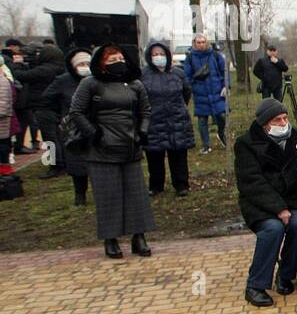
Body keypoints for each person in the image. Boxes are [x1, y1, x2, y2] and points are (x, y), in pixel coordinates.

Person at [66, 45, 156, 259]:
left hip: (130, 147)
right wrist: (94, 134)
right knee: (109, 196)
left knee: (136, 195)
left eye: (120, 57)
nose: (118, 61)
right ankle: (111, 238)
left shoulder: (135, 84)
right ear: (101, 63)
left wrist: (142, 132)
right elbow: (76, 112)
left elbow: (145, 110)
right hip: (101, 150)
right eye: (112, 59)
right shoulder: (91, 84)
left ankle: (139, 237)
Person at [235, 98, 297, 307]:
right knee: (272, 229)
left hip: (294, 199)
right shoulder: (246, 144)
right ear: (264, 123)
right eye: (277, 120)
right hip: (260, 203)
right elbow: (252, 182)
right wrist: (278, 208)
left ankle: (286, 274)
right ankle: (256, 286)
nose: (283, 123)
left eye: (285, 118)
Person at [140, 42, 194, 196]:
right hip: (154, 120)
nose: (159, 57)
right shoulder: (143, 75)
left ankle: (181, 185)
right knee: (155, 156)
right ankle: (156, 186)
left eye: (161, 54)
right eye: (155, 55)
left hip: (177, 118)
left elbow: (186, 92)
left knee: (178, 155)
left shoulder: (177, 73)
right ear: (149, 57)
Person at [41, 47, 92, 201]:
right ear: (72, 66)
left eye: (87, 63)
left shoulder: (96, 79)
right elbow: (47, 99)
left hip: (94, 125)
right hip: (74, 128)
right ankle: (80, 194)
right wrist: (63, 115)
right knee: (77, 162)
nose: (85, 67)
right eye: (80, 64)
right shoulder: (63, 81)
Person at [11, 40, 62, 161]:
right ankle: (61, 161)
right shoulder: (59, 67)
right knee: (58, 136)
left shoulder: (44, 70)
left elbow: (20, 75)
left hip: (43, 107)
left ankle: (56, 163)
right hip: (55, 106)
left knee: (50, 138)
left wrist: (17, 64)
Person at [183, 33, 227, 154]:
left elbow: (224, 71)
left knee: (222, 116)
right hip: (200, 94)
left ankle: (221, 134)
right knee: (202, 120)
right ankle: (206, 145)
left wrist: (226, 86)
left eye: (203, 42)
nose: (201, 44)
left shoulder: (215, 55)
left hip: (217, 91)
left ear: (206, 42)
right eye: (198, 42)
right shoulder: (190, 58)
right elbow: (186, 76)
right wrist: (194, 86)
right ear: (194, 43)